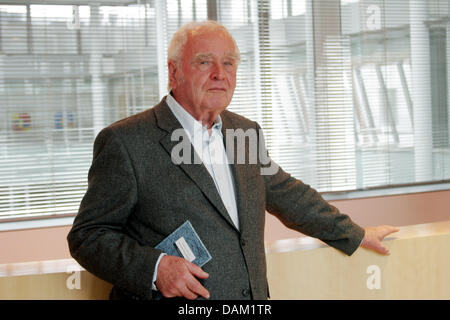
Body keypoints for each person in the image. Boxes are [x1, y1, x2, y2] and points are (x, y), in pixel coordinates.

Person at [67, 20, 398, 300]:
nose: (219, 74)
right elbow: (88, 236)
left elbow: (289, 195)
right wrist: (156, 268)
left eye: (228, 63)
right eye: (204, 62)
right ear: (174, 71)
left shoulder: (245, 132)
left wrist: (355, 233)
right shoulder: (126, 142)